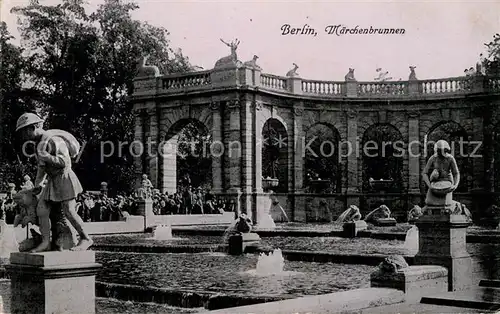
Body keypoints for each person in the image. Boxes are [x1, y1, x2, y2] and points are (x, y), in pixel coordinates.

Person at [16, 112, 93, 252]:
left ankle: (86, 238)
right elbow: (42, 168)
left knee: (69, 210)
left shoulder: (53, 140)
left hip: (65, 178)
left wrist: (47, 157)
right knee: (42, 208)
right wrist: (38, 184)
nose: (23, 136)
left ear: (33, 127)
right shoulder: (38, 144)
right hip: (53, 181)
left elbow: (64, 162)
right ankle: (45, 242)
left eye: (24, 131)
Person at [422, 140, 460, 205]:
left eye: (442, 150)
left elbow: (456, 173)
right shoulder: (433, 158)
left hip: (447, 183)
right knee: (428, 202)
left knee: (446, 203)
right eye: (438, 150)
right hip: (435, 184)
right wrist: (429, 186)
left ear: (446, 150)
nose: (440, 152)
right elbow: (424, 173)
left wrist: (455, 185)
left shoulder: (450, 158)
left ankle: (457, 204)